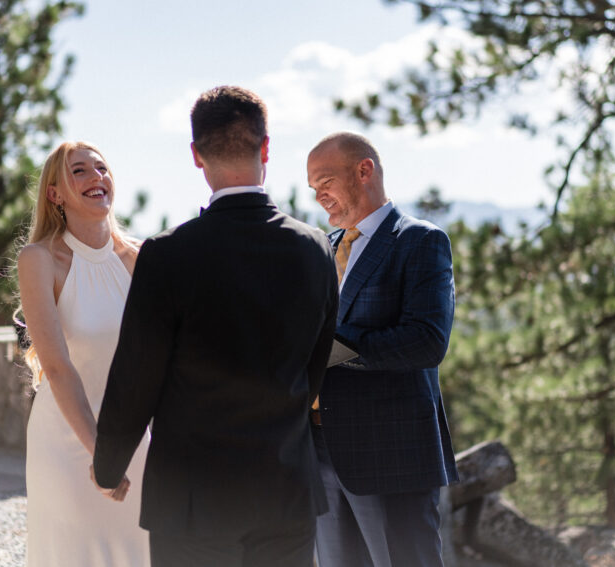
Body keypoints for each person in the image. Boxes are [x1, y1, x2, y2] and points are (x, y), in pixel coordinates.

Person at [90, 86, 339, 567]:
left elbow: (137, 375)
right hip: (285, 489)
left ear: (196, 156)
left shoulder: (167, 253)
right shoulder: (315, 248)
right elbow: (315, 367)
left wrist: (108, 466)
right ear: (266, 149)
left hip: (192, 498)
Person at [306, 132, 458, 567]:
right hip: (319, 453)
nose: (320, 197)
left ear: (364, 170)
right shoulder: (322, 250)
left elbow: (426, 341)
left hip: (391, 454)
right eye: (313, 189)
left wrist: (332, 350)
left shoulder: (420, 241)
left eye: (325, 182)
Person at [17, 141, 149, 567]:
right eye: (79, 171)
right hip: (67, 441)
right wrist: (100, 454)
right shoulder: (39, 259)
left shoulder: (143, 259)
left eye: (102, 167)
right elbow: (56, 367)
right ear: (54, 194)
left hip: (137, 438)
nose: (96, 177)